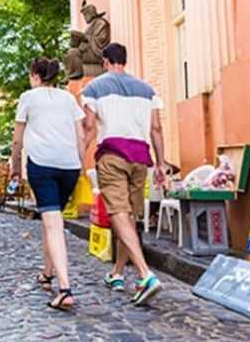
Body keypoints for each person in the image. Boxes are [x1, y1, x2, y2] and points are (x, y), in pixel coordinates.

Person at [81, 42, 165, 306]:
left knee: (118, 213)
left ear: (105, 61)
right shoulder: (147, 90)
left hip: (112, 154)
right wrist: (161, 164)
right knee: (126, 216)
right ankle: (117, 273)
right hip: (140, 157)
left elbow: (89, 126)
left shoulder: (94, 88)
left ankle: (145, 274)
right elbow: (156, 129)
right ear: (124, 61)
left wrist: (78, 155)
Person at [11, 57, 86, 311]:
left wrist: (14, 168)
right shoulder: (68, 98)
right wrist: (81, 164)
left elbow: (17, 140)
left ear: (35, 75)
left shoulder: (28, 97)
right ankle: (47, 272)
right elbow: (81, 134)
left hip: (42, 164)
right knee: (50, 218)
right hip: (70, 167)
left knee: (53, 224)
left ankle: (65, 289)